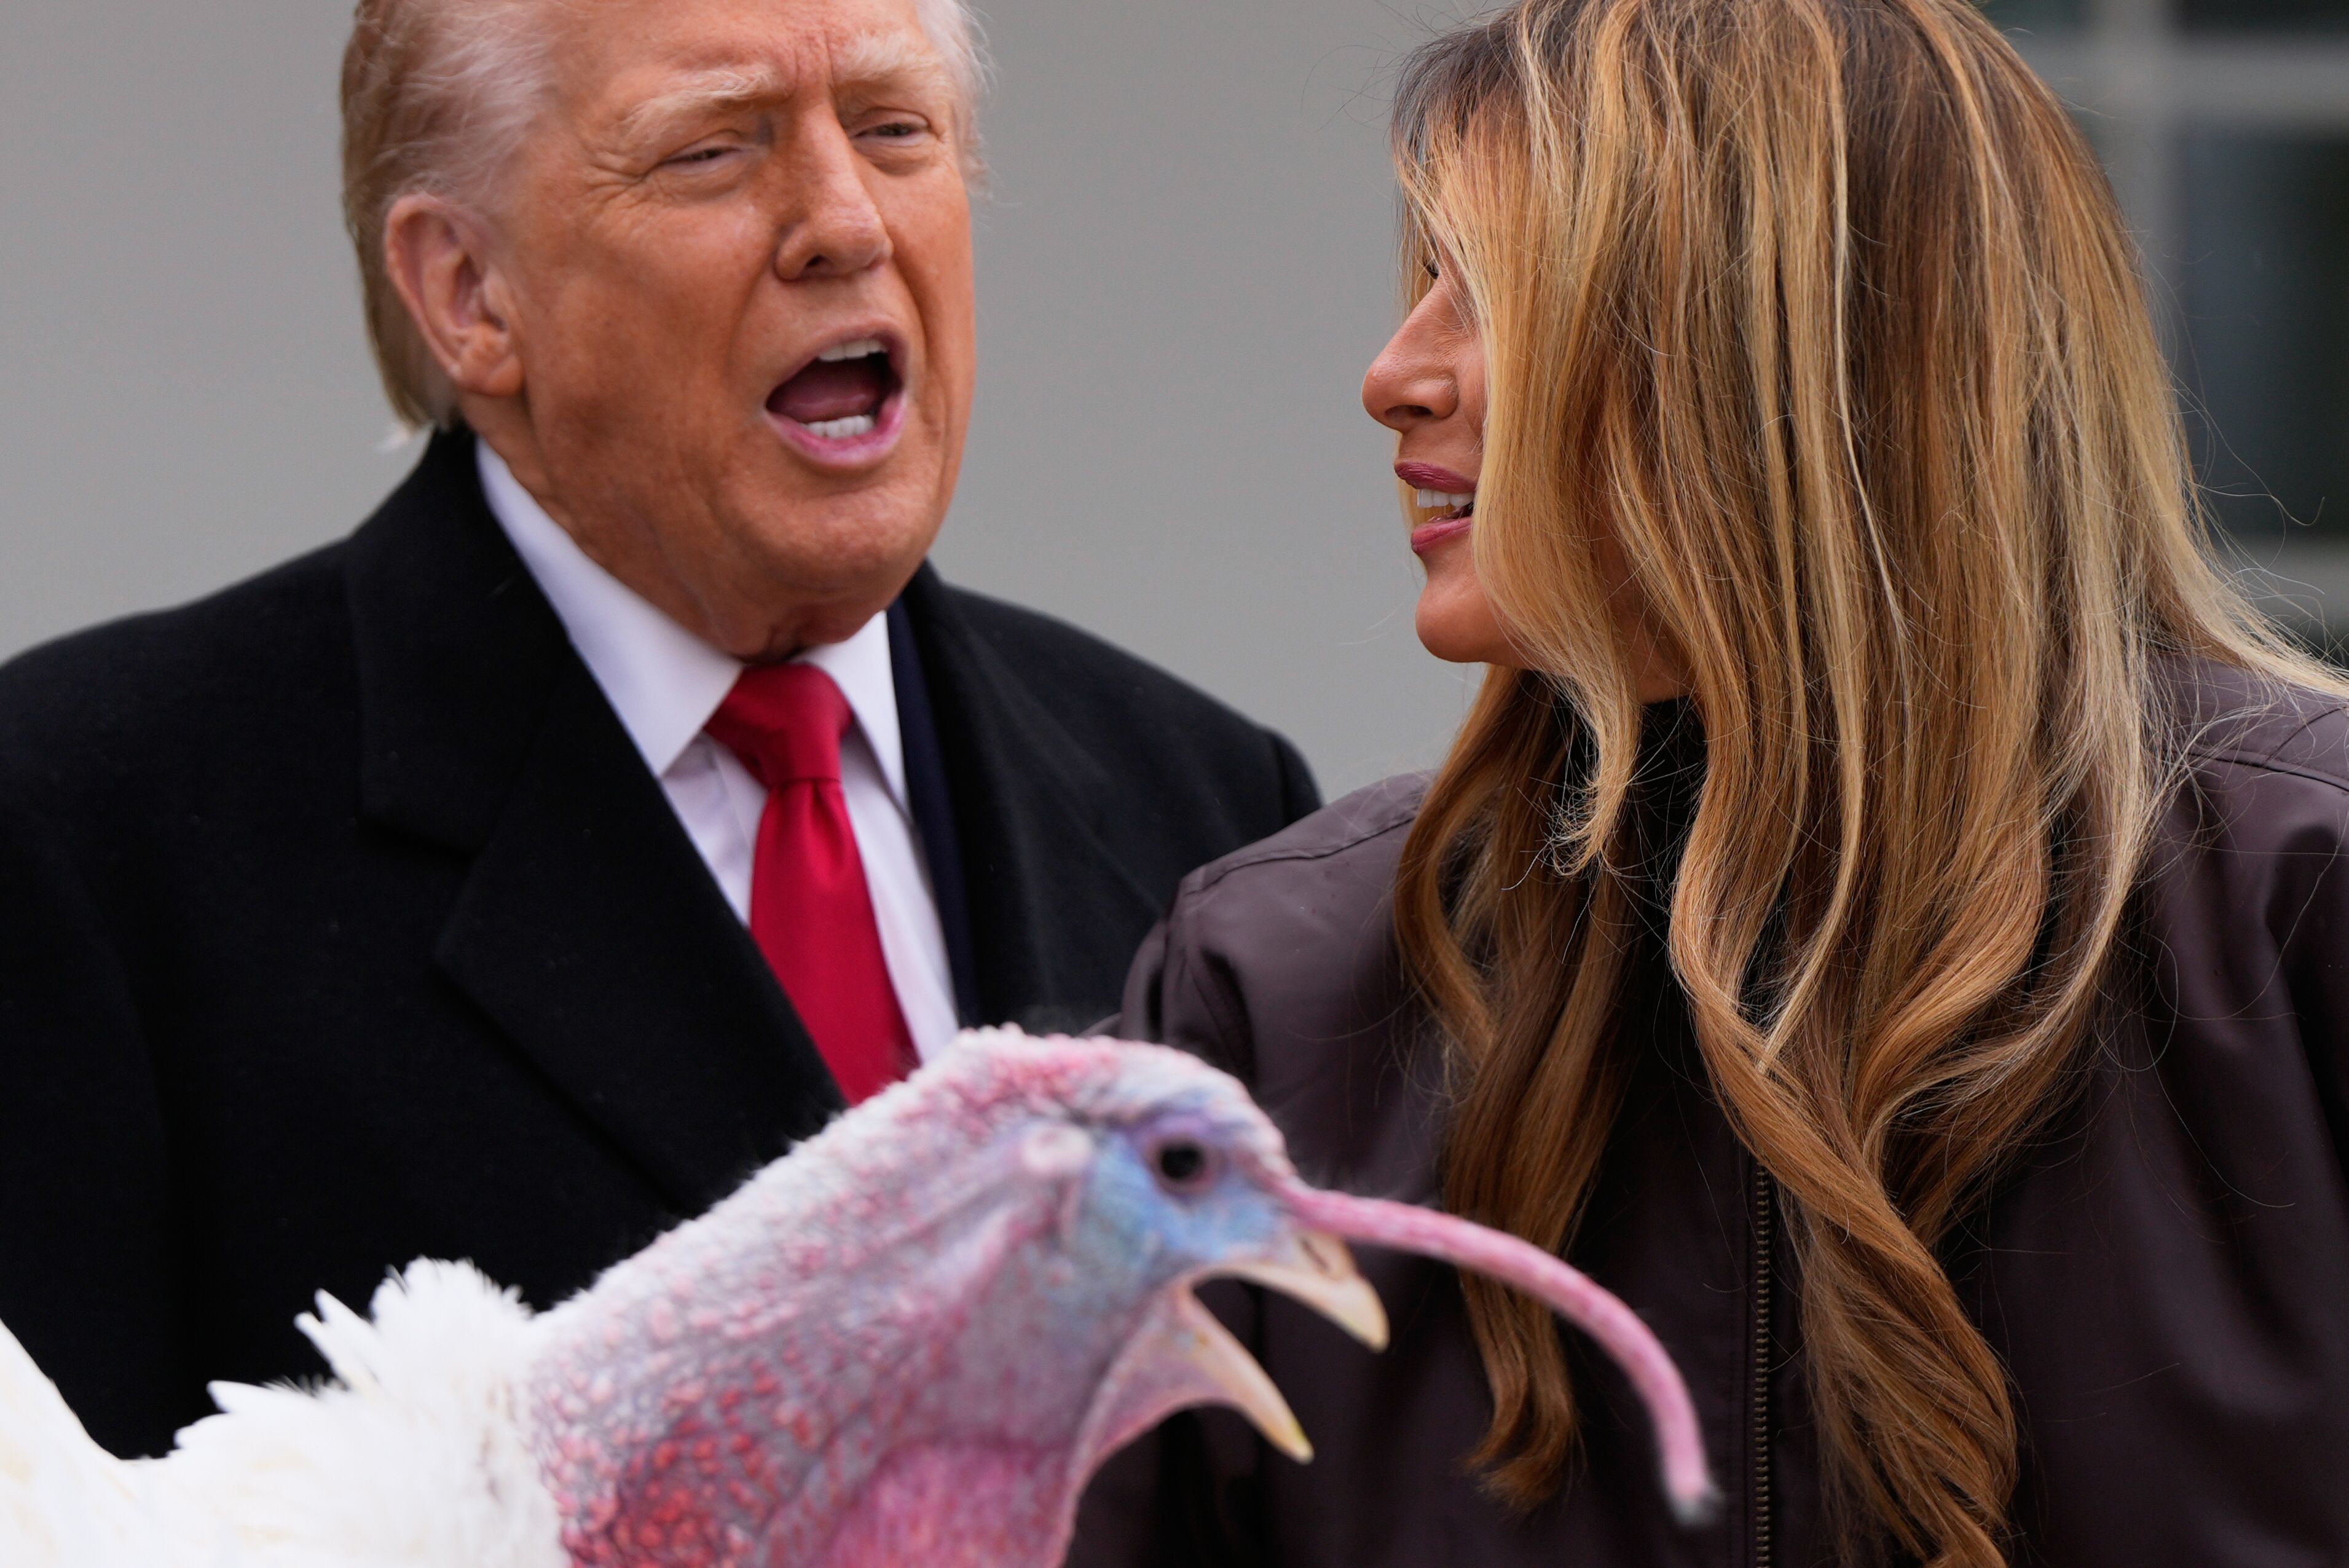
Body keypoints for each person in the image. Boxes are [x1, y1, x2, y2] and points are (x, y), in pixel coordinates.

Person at [1070, 1, 2349, 1564]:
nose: (1393, 376)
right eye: (1426, 285)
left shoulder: (2307, 904)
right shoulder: (1278, 990)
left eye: (1495, 294)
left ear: (1779, 354)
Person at [0, 0, 1318, 1461]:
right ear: (470, 294)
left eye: (894, 129)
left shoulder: (1218, 810)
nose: (845, 223)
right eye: (711, 150)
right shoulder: (85, 830)